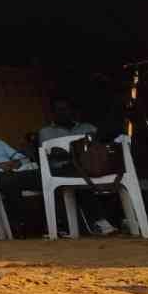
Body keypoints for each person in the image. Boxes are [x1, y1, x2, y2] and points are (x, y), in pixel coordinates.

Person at [36, 96, 119, 236]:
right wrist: (78, 152)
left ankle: (118, 220)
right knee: (78, 175)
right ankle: (99, 221)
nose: (62, 112)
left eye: (65, 109)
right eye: (58, 110)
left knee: (110, 177)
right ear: (52, 113)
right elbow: (52, 153)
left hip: (91, 168)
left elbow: (102, 146)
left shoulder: (88, 128)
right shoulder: (46, 132)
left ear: (72, 111)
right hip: (61, 169)